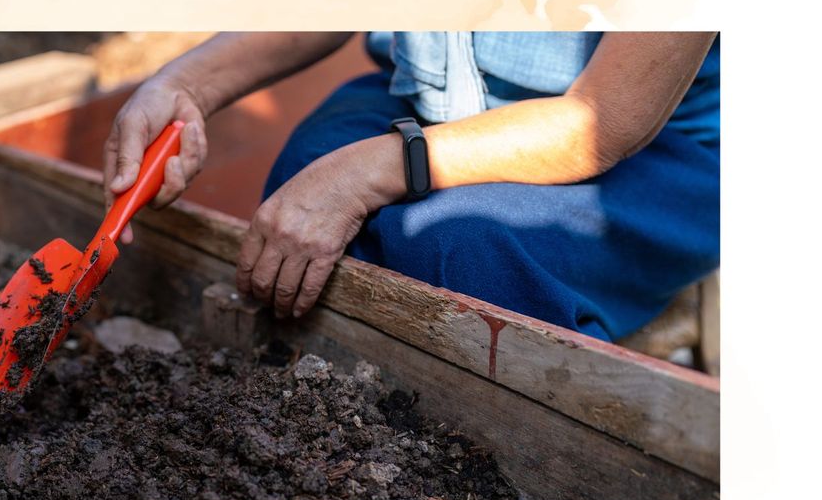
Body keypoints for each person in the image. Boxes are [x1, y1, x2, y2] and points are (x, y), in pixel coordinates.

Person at [102, 32, 719, 341]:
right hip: (425, 99)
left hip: (650, 145)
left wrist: (369, 170)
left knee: (466, 256)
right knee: (298, 197)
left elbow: (600, 122)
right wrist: (187, 85)